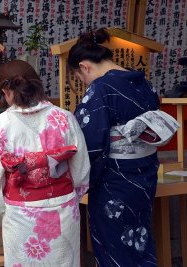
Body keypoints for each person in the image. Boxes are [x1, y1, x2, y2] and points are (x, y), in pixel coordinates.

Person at [67, 28, 179, 266]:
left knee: (114, 246)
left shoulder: (101, 89)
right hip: (145, 176)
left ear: (85, 66)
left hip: (114, 182)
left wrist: (80, 178)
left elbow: (91, 144)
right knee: (139, 242)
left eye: (80, 77)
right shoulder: (143, 83)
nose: (84, 83)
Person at [0, 59, 90, 266]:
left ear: (7, 90)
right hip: (63, 209)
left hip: (21, 213)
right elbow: (81, 170)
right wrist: (71, 196)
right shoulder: (64, 118)